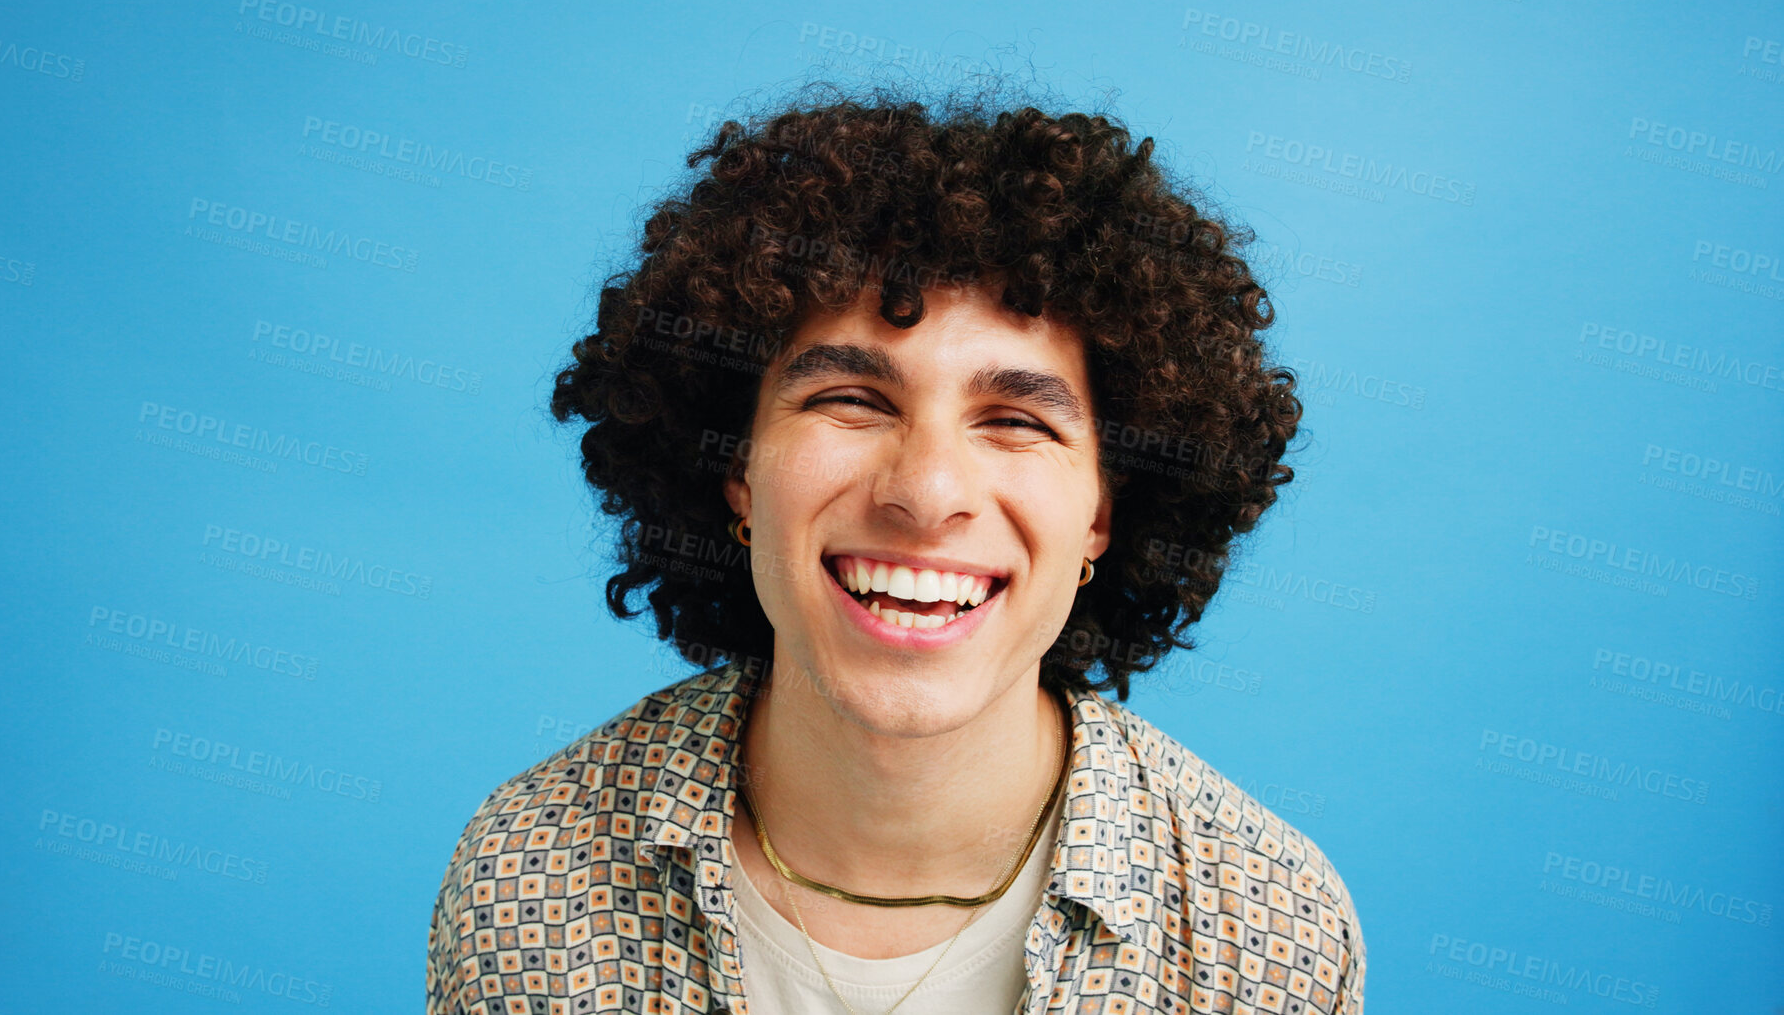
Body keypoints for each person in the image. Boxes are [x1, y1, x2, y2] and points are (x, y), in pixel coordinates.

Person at [427, 83, 1365, 1014]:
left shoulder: (1261, 926)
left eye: (1015, 420)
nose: (925, 493)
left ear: (1102, 516)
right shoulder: (531, 873)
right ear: (736, 470)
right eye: (853, 400)